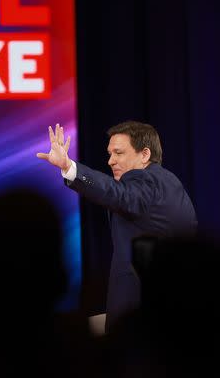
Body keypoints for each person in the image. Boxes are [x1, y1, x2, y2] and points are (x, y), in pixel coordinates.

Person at [37, 121, 197, 326]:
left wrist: (69, 167)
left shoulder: (144, 181)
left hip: (137, 315)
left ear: (145, 155)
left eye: (119, 153)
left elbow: (118, 194)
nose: (111, 161)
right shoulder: (170, 182)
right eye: (110, 154)